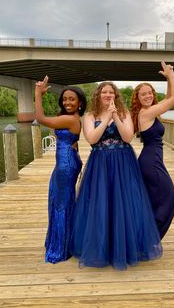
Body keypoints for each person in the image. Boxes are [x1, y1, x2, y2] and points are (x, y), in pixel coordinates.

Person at [70, 81, 163, 270]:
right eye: (104, 92)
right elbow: (92, 139)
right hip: (100, 163)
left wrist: (115, 116)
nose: (108, 95)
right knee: (101, 203)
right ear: (98, 95)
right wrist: (106, 119)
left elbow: (128, 137)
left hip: (123, 162)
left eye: (111, 92)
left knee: (124, 203)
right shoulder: (90, 115)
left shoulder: (124, 112)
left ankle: (125, 246)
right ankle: (102, 247)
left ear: (116, 95)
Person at [35, 76, 87, 263]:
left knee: (61, 204)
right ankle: (65, 241)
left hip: (66, 165)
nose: (67, 102)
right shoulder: (70, 118)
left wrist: (38, 94)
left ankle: (62, 248)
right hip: (66, 162)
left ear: (80, 103)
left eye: (72, 99)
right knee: (61, 201)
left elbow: (40, 118)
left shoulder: (70, 119)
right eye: (64, 99)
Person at [131, 61, 174, 239]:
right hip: (150, 163)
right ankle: (148, 240)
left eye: (149, 92)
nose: (147, 96)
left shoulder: (151, 111)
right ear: (137, 98)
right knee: (170, 201)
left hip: (152, 160)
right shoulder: (146, 113)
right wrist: (172, 75)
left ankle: (143, 238)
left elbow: (169, 97)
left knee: (154, 202)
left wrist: (168, 79)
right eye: (143, 94)